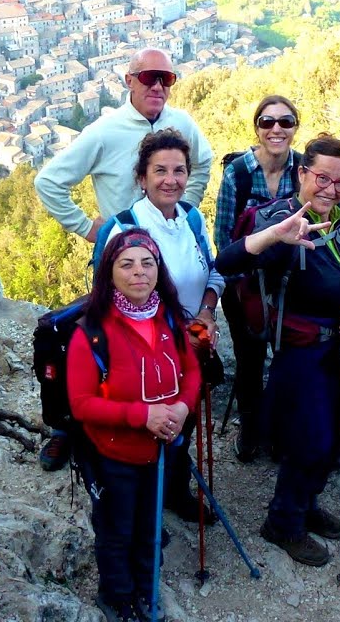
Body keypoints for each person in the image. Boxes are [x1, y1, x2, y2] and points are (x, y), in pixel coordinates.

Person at [34, 47, 214, 472]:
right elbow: (49, 181)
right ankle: (75, 430)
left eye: (167, 78)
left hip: (170, 251)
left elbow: (203, 163)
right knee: (111, 354)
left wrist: (182, 208)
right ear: (129, 80)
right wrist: (90, 228)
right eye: (149, 77)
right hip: (122, 258)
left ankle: (163, 455)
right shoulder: (105, 131)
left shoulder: (182, 124)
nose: (158, 86)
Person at [216, 133, 340, 567]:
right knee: (311, 441)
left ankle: (306, 504)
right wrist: (273, 236)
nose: (331, 189)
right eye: (322, 178)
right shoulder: (283, 223)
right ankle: (283, 522)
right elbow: (228, 262)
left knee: (338, 436)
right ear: (301, 174)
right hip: (304, 355)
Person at [68, 229, 201, 622]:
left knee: (150, 526)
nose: (139, 272)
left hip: (160, 451)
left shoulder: (170, 318)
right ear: (109, 273)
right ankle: (117, 597)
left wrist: (182, 408)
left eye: (147, 263)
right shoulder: (92, 332)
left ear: (159, 270)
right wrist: (143, 416)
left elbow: (192, 371)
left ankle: (146, 586)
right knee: (116, 529)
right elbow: (81, 404)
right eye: (126, 264)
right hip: (113, 455)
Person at [97, 129, 224, 524]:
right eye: (160, 171)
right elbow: (107, 302)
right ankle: (141, 512)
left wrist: (207, 312)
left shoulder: (190, 218)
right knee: (148, 428)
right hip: (142, 353)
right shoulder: (123, 229)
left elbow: (212, 271)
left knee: (183, 422)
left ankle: (174, 493)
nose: (171, 180)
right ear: (142, 177)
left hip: (191, 344)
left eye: (179, 170)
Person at [213, 94, 302, 462]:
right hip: (244, 284)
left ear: (295, 128)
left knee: (288, 359)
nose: (276, 129)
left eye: (285, 122)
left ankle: (280, 428)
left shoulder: (303, 169)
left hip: (290, 284)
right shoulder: (238, 173)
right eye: (268, 122)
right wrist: (242, 283)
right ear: (257, 128)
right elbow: (223, 236)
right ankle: (250, 425)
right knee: (249, 359)